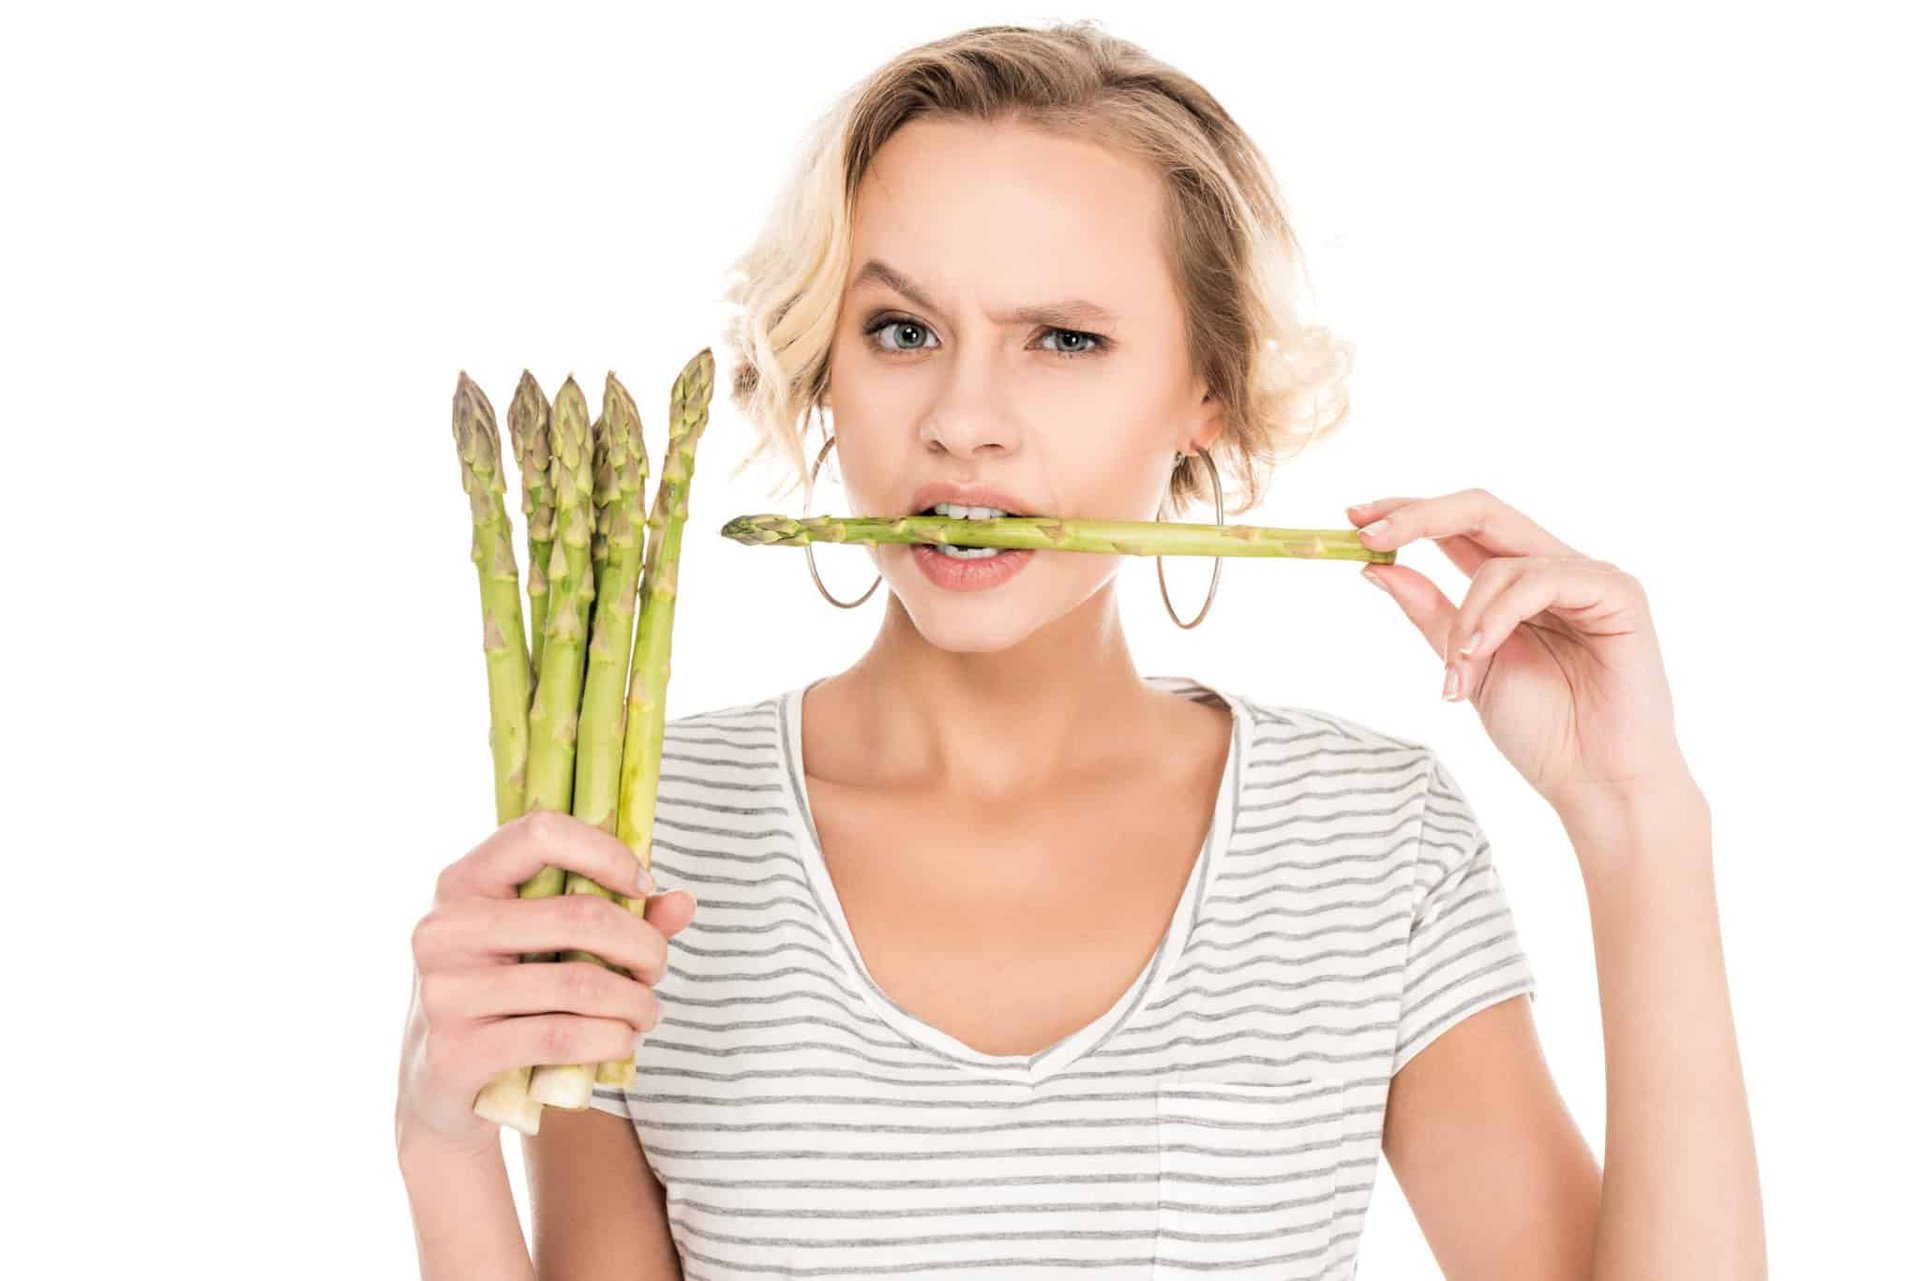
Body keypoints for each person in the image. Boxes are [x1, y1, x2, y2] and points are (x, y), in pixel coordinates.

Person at [397, 20, 1765, 1279]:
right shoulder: (640, 839)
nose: (965, 420)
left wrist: (1641, 818)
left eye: (1063, 338)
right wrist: (442, 1138)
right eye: (903, 330)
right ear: (826, 367)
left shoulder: (1369, 840)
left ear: (1204, 397)